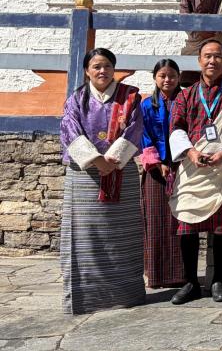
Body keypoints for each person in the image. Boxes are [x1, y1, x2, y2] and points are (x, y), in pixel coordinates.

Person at [59, 48, 145, 314]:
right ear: (87, 70)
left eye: (107, 66)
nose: (102, 71)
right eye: (96, 66)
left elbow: (135, 128)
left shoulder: (130, 97)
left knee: (122, 235)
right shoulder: (77, 99)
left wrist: (113, 159)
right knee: (85, 235)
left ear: (113, 69)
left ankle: (125, 293)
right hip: (86, 175)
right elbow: (69, 128)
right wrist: (96, 160)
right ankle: (86, 297)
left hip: (121, 171)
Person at [168, 38, 222, 304]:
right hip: (192, 168)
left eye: (217, 56)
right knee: (188, 226)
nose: (212, 61)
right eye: (207, 56)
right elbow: (176, 128)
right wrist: (191, 153)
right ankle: (192, 281)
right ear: (199, 61)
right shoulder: (186, 94)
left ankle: (218, 281)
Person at [139, 59, 185, 290]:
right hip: (156, 171)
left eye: (172, 76)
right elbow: (144, 135)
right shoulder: (147, 105)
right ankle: (156, 275)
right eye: (162, 76)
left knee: (180, 220)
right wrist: (157, 163)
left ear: (179, 76)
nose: (167, 80)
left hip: (183, 167)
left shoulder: (186, 100)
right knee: (156, 220)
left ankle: (180, 274)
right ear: (155, 78)